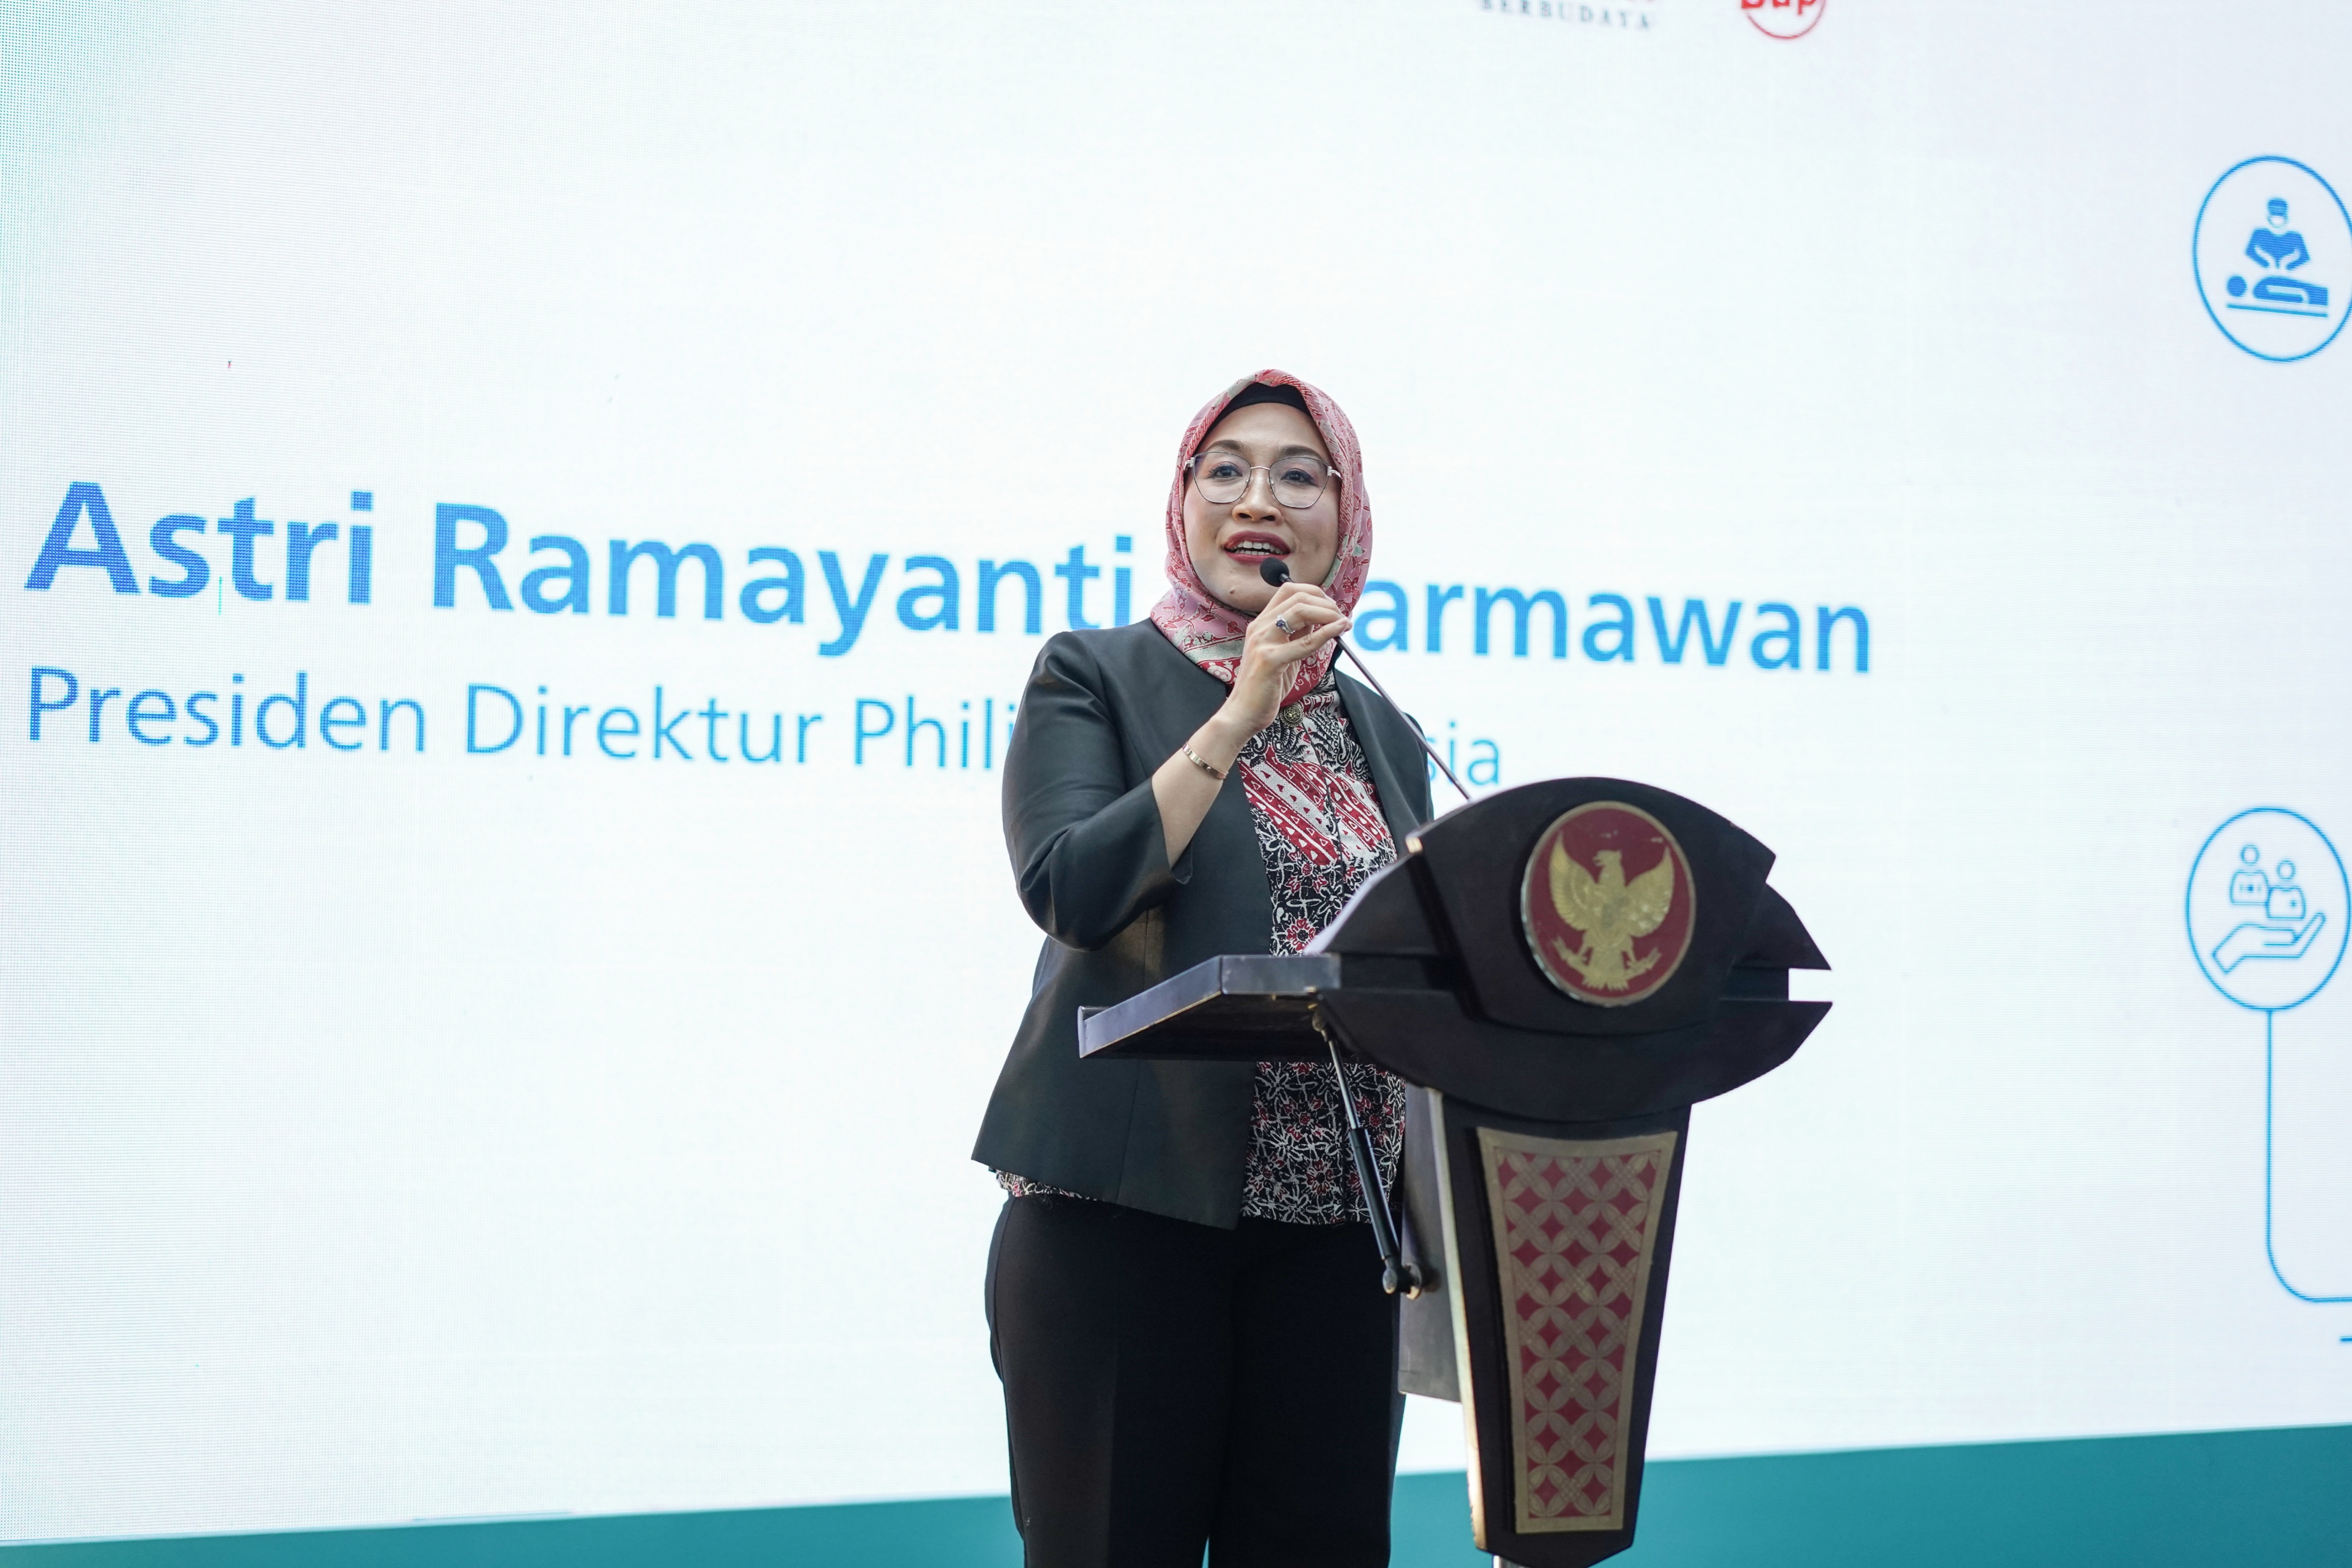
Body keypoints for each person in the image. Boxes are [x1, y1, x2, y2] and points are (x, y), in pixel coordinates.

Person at [974, 371, 1434, 1567]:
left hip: (1337, 1244)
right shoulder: (1095, 672)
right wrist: (1240, 714)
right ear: (1182, 504)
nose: (1257, 499)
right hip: (1125, 1227)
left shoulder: (1380, 729)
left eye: (1298, 472)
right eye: (1222, 469)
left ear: (1348, 512)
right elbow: (1076, 885)